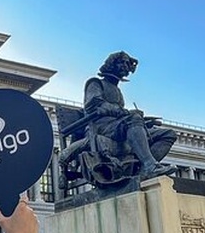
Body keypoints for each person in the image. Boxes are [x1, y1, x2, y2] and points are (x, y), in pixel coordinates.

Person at [60, 51, 177, 180]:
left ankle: (143, 170)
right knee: (134, 118)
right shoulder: (95, 83)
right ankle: (150, 165)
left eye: (128, 64)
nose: (126, 66)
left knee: (168, 134)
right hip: (101, 127)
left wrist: (143, 123)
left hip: (118, 128)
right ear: (112, 64)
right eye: (123, 62)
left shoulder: (117, 90)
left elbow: (123, 117)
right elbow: (94, 105)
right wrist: (127, 114)